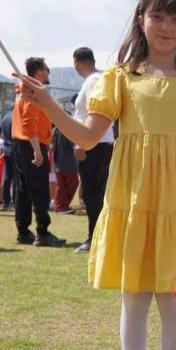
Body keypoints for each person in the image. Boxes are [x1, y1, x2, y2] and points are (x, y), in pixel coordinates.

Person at [17, 0, 176, 350]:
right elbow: (87, 136)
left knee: (172, 299)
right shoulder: (119, 77)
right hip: (130, 199)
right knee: (134, 299)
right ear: (141, 19)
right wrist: (48, 105)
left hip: (175, 204)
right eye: (158, 16)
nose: (167, 26)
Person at [11, 57, 66, 247]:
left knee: (23, 190)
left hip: (21, 143)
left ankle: (23, 231)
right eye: (47, 69)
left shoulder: (23, 90)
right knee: (39, 189)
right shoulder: (33, 91)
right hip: (32, 143)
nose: (49, 72)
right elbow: (29, 121)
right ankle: (42, 232)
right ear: (39, 72)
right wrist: (37, 150)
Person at [71, 46, 115, 252]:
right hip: (99, 143)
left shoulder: (92, 81)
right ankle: (97, 237)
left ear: (77, 63)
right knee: (96, 192)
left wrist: (81, 143)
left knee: (93, 193)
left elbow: (94, 112)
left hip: (94, 144)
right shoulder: (97, 79)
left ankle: (94, 238)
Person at [52, 123, 79, 214]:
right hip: (67, 162)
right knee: (70, 184)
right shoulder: (67, 128)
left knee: (61, 185)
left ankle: (62, 206)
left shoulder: (57, 129)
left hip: (59, 162)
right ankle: (61, 207)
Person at [0, 112, 15, 210]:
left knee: (7, 177)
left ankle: (6, 202)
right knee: (17, 178)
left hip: (7, 149)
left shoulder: (5, 118)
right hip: (16, 149)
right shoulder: (16, 116)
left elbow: (2, 134)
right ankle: (15, 201)